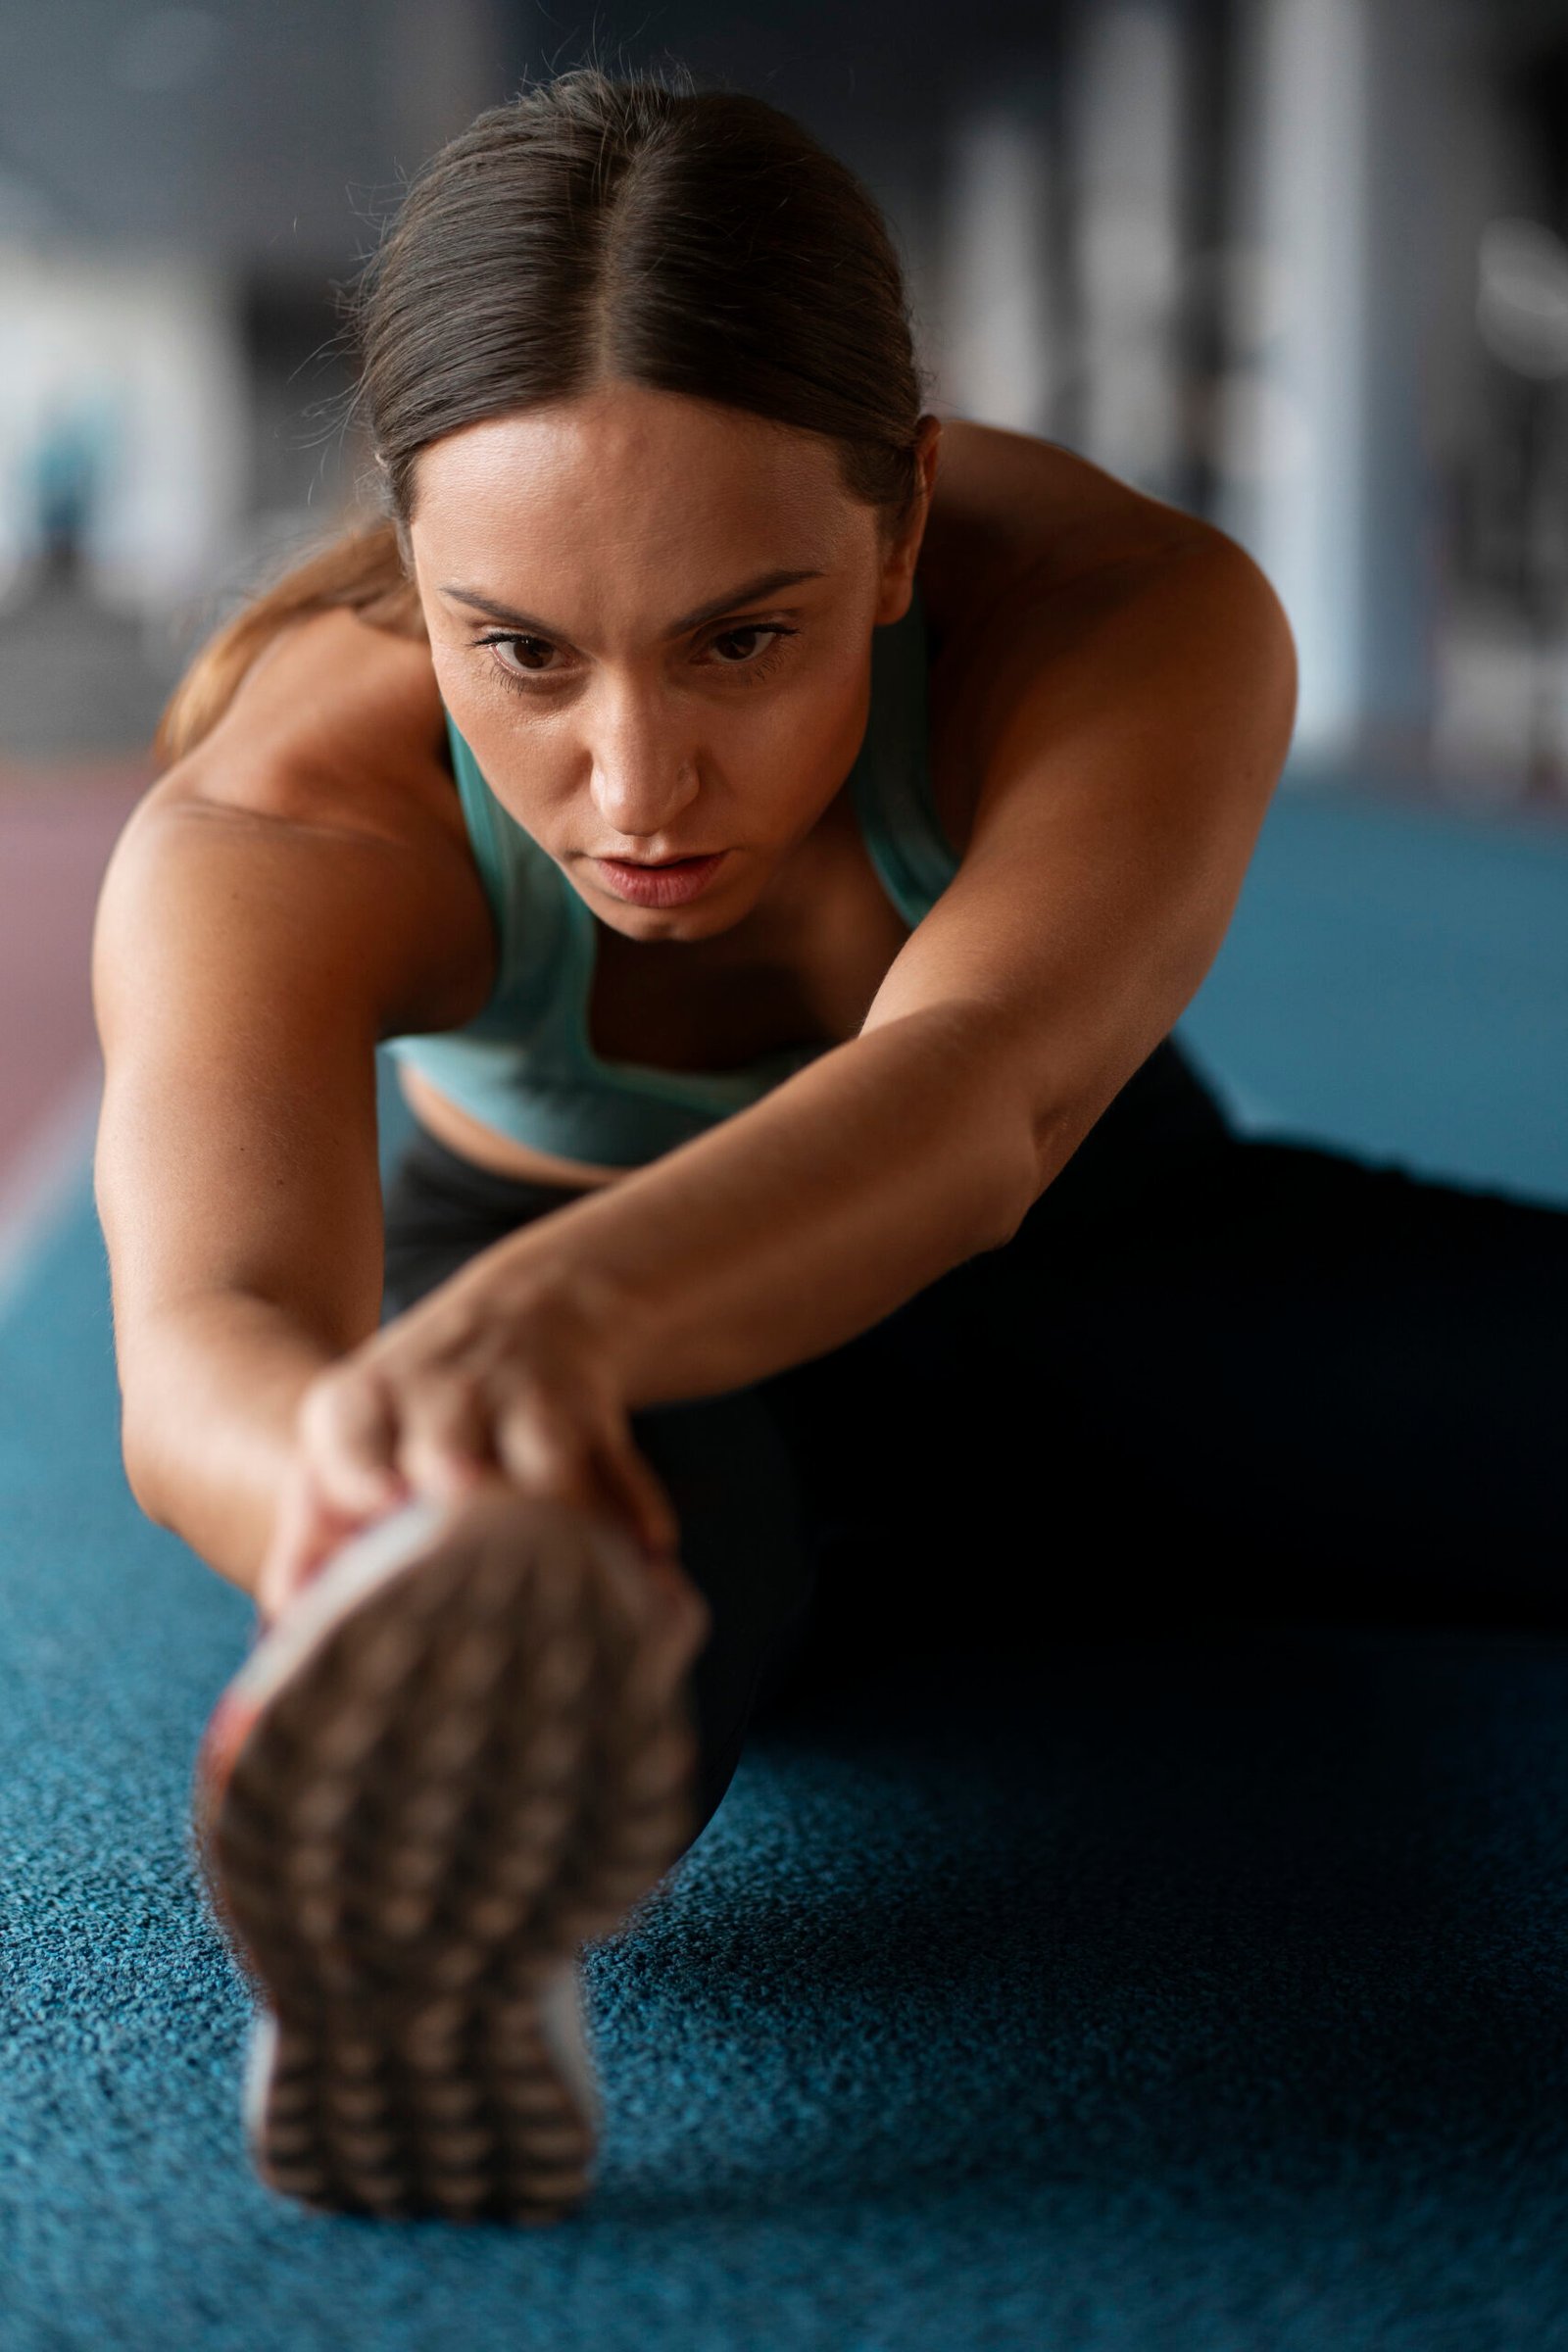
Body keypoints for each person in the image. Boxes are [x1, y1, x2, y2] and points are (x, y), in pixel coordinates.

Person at [92, 68, 1564, 2229]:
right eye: (523, 653)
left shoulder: (1115, 609)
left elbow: (982, 1091)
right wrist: (363, 1509)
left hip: (1073, 1260)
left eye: (741, 639)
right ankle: (448, 1901)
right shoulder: (284, 818)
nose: (633, 788)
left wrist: (565, 1315)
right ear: (412, 566)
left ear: (902, 522)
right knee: (557, 1585)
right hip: (599, 1380)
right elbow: (207, 1338)